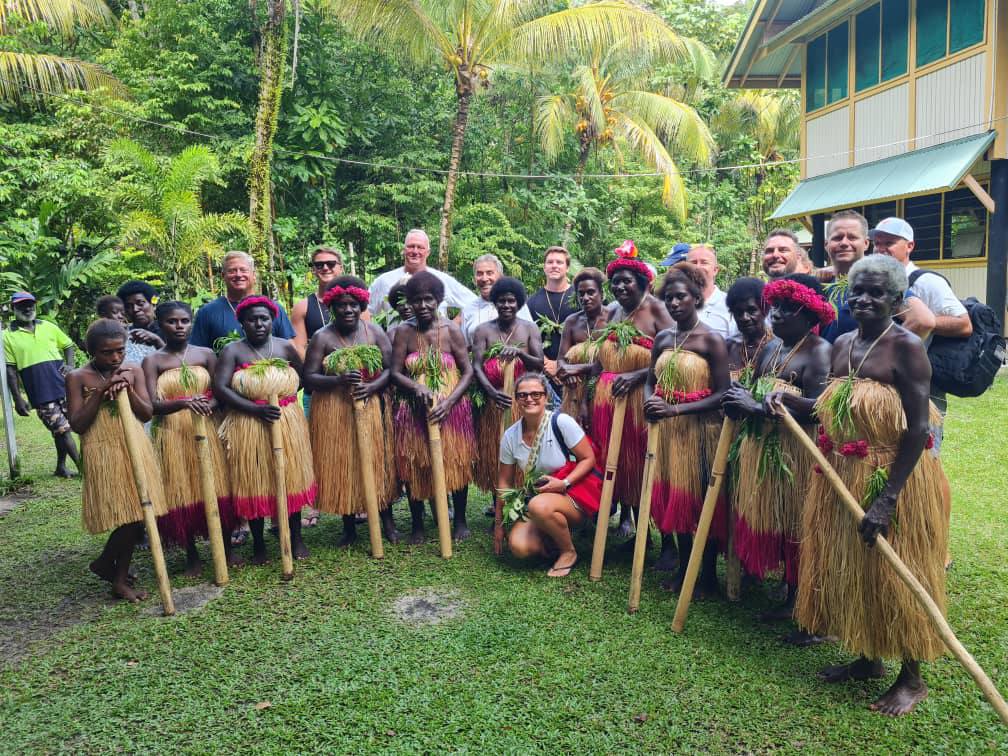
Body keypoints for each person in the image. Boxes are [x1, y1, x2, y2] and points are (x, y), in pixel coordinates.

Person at [784, 254, 949, 717]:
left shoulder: (906, 347)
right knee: (857, 566)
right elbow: (827, 405)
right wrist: (788, 399)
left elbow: (919, 429)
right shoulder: (844, 344)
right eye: (858, 290)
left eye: (877, 292)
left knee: (900, 571)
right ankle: (868, 658)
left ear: (898, 300)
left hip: (893, 475)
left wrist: (888, 496)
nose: (864, 299)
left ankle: (912, 677)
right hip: (845, 472)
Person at [723, 275, 832, 628]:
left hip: (796, 452)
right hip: (763, 448)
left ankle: (809, 604)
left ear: (811, 313)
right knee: (781, 522)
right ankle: (789, 595)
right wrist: (740, 398)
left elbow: (819, 410)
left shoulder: (819, 351)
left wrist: (758, 408)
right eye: (778, 307)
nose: (779, 314)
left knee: (799, 525)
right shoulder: (772, 347)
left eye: (790, 309)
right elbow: (753, 388)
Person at [66, 318, 168, 603]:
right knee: (128, 515)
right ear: (91, 351)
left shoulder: (133, 370)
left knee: (139, 513)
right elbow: (77, 424)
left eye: (120, 351)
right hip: (102, 448)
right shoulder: (78, 377)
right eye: (106, 353)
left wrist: (128, 388)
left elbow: (147, 413)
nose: (115, 357)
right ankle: (115, 574)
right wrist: (100, 392)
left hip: (135, 444)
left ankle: (111, 569)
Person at [644, 263, 729, 591]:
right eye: (669, 299)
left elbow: (723, 394)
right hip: (667, 431)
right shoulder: (664, 337)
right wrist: (650, 402)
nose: (674, 304)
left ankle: (705, 573)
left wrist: (676, 408)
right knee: (675, 498)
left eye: (681, 297)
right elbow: (651, 380)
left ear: (696, 298)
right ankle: (683, 567)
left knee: (699, 500)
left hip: (700, 431)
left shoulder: (712, 341)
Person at [214, 296, 314, 564]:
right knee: (254, 478)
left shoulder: (286, 347)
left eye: (264, 319)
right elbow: (221, 388)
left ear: (273, 321)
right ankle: (259, 543)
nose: (259, 323)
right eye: (252, 319)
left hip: (286, 419)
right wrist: (254, 408)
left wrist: (283, 397)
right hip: (249, 423)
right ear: (242, 323)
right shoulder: (233, 351)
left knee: (289, 476)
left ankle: (296, 538)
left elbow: (304, 377)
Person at [142, 301, 238, 576]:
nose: (179, 326)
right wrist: (183, 403)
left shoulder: (205, 354)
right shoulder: (154, 361)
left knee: (219, 483)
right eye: (172, 322)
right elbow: (151, 406)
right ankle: (191, 555)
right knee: (181, 487)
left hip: (208, 427)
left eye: (184, 321)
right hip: (172, 432)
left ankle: (227, 548)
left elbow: (222, 388)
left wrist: (212, 403)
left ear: (191, 322)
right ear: (160, 324)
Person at [303, 276, 400, 546]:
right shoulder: (322, 337)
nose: (348, 310)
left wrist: (372, 388)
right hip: (335, 409)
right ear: (332, 307)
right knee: (343, 462)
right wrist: (336, 380)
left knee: (377, 461)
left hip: (370, 406)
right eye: (342, 305)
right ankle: (349, 527)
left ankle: (387, 520)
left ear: (362, 305)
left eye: (353, 305)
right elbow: (308, 378)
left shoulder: (374, 332)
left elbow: (390, 370)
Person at [591, 240, 672, 541]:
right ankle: (640, 537)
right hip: (610, 401)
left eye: (626, 281)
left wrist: (639, 376)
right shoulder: (613, 313)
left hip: (641, 400)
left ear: (642, 283)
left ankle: (665, 543)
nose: (620, 287)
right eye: (615, 282)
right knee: (621, 465)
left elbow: (672, 355)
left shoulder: (658, 310)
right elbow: (602, 355)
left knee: (645, 467)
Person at [869, 217, 972, 449]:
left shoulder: (926, 281)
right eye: (878, 243)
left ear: (910, 246)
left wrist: (922, 319)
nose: (881, 249)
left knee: (925, 459)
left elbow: (964, 324)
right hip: (886, 387)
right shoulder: (875, 280)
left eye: (890, 243)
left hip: (921, 386)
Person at [390, 271, 476, 542]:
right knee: (416, 462)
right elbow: (395, 372)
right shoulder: (404, 332)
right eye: (417, 300)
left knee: (456, 460)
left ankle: (460, 520)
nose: (423, 305)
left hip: (451, 408)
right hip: (413, 409)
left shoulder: (451, 330)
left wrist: (450, 402)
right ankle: (418, 524)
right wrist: (416, 386)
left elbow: (467, 371)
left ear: (439, 300)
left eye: (428, 299)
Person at [494, 373, 601, 577]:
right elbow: (504, 481)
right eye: (523, 395)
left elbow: (589, 459)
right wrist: (499, 524)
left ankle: (568, 552)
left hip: (573, 495)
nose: (529, 399)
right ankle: (552, 541)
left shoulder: (561, 422)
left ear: (546, 397)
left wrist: (564, 482)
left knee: (538, 505)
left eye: (536, 394)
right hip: (542, 500)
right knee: (519, 547)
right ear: (516, 399)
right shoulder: (510, 436)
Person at [471, 277, 544, 494]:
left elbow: (539, 364)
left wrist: (520, 352)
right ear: (494, 302)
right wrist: (492, 393)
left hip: (525, 404)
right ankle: (499, 501)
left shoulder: (530, 329)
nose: (506, 305)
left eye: (511, 301)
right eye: (501, 301)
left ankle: (526, 499)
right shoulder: (483, 330)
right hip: (494, 403)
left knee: (525, 449)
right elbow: (476, 367)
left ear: (519, 303)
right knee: (496, 450)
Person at [820, 211, 935, 343]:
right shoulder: (824, 283)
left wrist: (877, 353)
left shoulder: (880, 280)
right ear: (826, 244)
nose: (844, 243)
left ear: (866, 243)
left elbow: (922, 320)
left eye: (852, 237)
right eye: (837, 238)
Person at [4, 291, 80, 478]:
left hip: (64, 386)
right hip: (40, 392)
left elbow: (68, 345)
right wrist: (18, 398)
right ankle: (83, 468)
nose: (27, 308)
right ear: (13, 308)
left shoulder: (48, 326)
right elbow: (11, 371)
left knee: (60, 430)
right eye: (22, 305)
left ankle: (61, 467)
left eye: (30, 304)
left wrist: (70, 365)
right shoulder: (6, 336)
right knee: (62, 430)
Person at [191, 251, 295, 351]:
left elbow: (289, 350)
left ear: (254, 275)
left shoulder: (273, 308)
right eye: (232, 271)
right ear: (223, 276)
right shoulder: (207, 312)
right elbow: (196, 354)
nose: (238, 275)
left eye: (243, 270)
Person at [368, 229, 476, 317]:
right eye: (411, 246)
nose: (415, 251)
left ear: (428, 252)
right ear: (404, 250)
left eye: (420, 247)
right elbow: (365, 310)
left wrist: (453, 327)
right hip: (397, 342)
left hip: (436, 342)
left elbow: (474, 304)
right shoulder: (384, 281)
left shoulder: (442, 280)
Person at [556, 267, 610, 429]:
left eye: (591, 292)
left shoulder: (613, 318)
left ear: (601, 292)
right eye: (581, 294)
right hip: (575, 392)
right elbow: (561, 359)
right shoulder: (572, 322)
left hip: (605, 390)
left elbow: (611, 362)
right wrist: (566, 372)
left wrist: (577, 368)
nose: (585, 298)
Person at [525, 246, 579, 381]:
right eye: (550, 262)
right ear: (544, 267)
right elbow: (525, 336)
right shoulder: (531, 302)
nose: (554, 266)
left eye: (559, 262)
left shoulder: (580, 298)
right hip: (544, 374)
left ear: (567, 268)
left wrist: (562, 364)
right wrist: (546, 363)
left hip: (576, 370)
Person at [460, 254, 534, 343]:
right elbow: (464, 348)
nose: (484, 278)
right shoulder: (468, 309)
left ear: (500, 276)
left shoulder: (516, 304)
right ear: (474, 279)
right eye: (479, 274)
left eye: (489, 273)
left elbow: (531, 339)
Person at [672, 245, 737, 340]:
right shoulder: (673, 304)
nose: (698, 267)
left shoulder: (730, 306)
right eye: (693, 262)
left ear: (715, 270)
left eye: (704, 262)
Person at [724, 278, 778, 381]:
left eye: (752, 310)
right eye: (739, 312)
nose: (745, 317)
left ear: (765, 310)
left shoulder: (778, 348)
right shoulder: (728, 347)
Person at [97, 295, 158, 366]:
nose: (120, 316)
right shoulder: (100, 336)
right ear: (103, 315)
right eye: (115, 312)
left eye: (122, 313)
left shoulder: (134, 332)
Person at [116, 280, 165, 345]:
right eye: (129, 306)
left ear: (153, 305)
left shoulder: (169, 331)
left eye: (140, 303)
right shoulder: (123, 335)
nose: (135, 309)